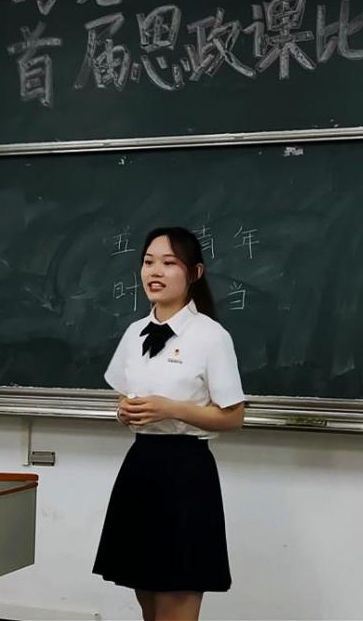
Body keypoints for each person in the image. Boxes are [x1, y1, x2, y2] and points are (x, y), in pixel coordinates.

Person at [93, 227, 246, 621]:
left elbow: (233, 416)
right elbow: (123, 398)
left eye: (168, 263)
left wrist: (171, 409)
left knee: (177, 594)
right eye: (148, 262)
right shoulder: (134, 333)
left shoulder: (211, 337)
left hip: (186, 471)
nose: (154, 271)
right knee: (145, 590)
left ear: (194, 273)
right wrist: (124, 412)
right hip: (141, 466)